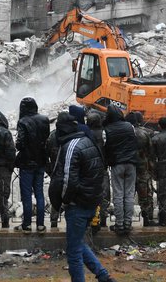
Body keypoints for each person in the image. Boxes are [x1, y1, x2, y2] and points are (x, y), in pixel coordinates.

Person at [48, 112, 116, 282]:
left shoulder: (72, 146)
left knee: (74, 252)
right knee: (78, 243)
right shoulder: (88, 141)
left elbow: (67, 180)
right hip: (90, 202)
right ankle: (103, 276)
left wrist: (63, 201)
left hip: (77, 205)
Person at [14, 97, 50, 234]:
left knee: (27, 194)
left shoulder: (22, 122)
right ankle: (40, 225)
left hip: (27, 163)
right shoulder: (44, 120)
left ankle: (27, 225)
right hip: (41, 162)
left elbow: (20, 143)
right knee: (39, 193)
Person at [104, 105, 137, 234]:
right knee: (129, 193)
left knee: (118, 194)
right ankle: (128, 223)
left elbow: (107, 147)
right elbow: (134, 143)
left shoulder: (107, 129)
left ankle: (119, 224)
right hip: (131, 163)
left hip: (117, 164)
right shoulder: (129, 126)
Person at [126, 112, 158, 227]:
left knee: (127, 195)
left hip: (127, 167)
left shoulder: (124, 133)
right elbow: (151, 153)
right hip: (143, 168)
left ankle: (126, 221)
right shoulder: (145, 133)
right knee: (145, 195)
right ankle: (147, 219)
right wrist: (153, 170)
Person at [87, 110, 110, 230]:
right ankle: (104, 219)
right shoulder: (103, 133)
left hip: (89, 169)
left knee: (91, 194)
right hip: (102, 167)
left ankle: (91, 219)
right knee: (104, 194)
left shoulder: (85, 133)